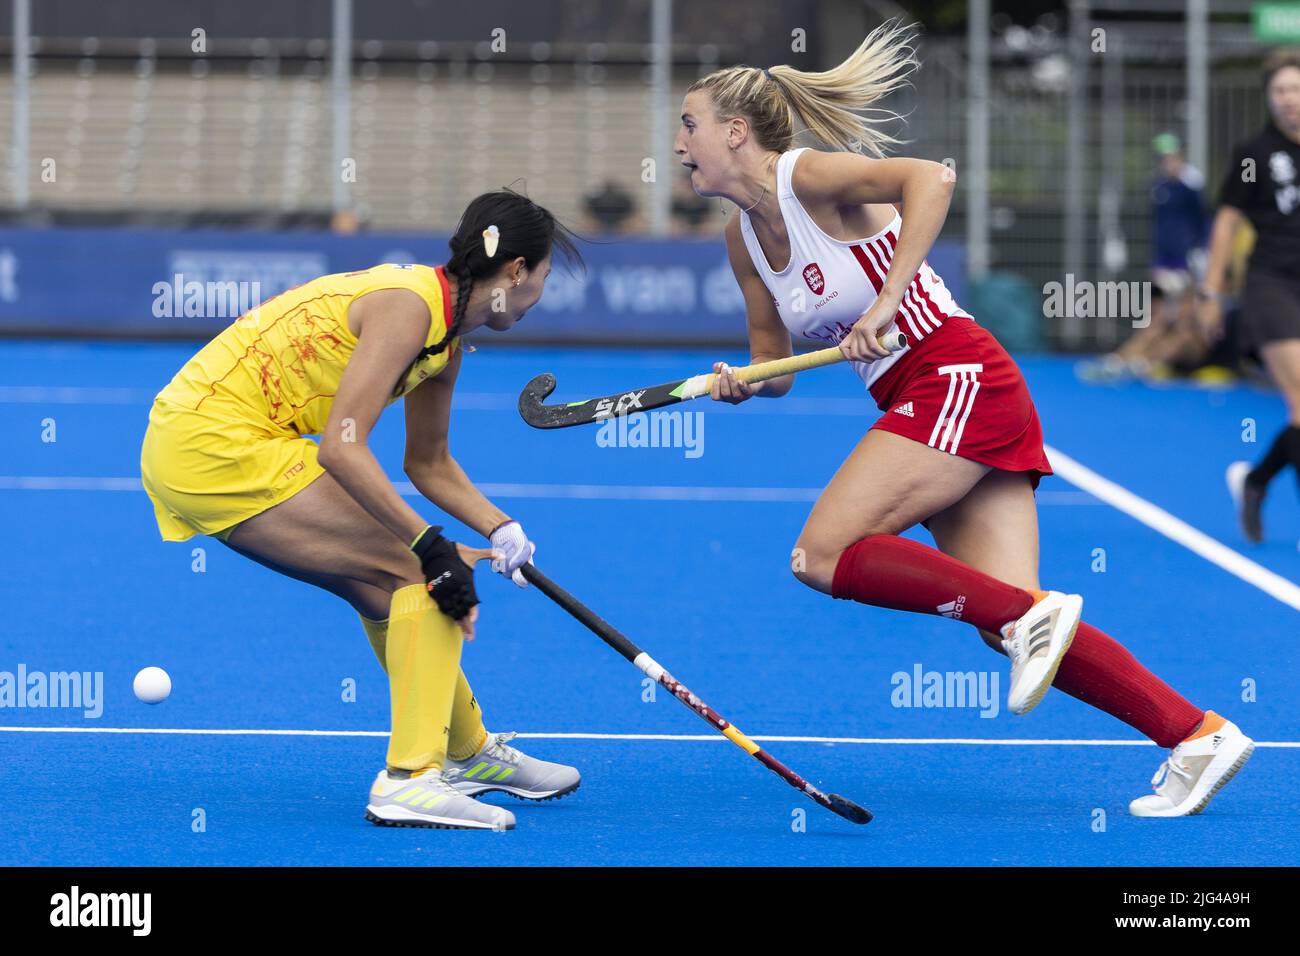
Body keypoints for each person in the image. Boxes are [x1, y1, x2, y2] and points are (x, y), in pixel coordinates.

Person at [674, 20, 1253, 816]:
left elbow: (932, 180)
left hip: (954, 375)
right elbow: (774, 366)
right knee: (1005, 618)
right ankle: (1196, 735)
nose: (679, 142)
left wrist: (886, 298)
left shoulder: (804, 179)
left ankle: (1036, 622)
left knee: (820, 555)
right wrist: (744, 382)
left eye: (689, 123)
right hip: (927, 395)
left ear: (736, 131)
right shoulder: (744, 238)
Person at [140, 191, 584, 830]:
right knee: (417, 572)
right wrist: (430, 546)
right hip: (210, 442)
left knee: (384, 588)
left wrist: (500, 526)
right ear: (515, 270)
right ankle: (410, 779)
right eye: (542, 276)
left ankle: (465, 753)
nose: (541, 291)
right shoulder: (409, 310)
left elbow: (426, 462)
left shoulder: (445, 339)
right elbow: (342, 448)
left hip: (238, 442)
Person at [1206, 48, 1300, 543]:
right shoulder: (1254, 155)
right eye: (1280, 91)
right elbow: (1227, 221)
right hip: (1271, 283)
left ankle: (1257, 479)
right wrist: (1212, 291)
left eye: (1296, 90)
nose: (1289, 100)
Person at [1077, 132, 1210, 383]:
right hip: (1162, 265)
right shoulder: (1157, 186)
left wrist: (1200, 256)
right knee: (1155, 322)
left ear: (1180, 155)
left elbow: (1204, 222)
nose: (1167, 161)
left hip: (1187, 266)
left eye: (1171, 156)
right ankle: (1118, 363)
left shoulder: (1192, 185)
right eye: (1163, 157)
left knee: (1183, 328)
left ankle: (1142, 363)